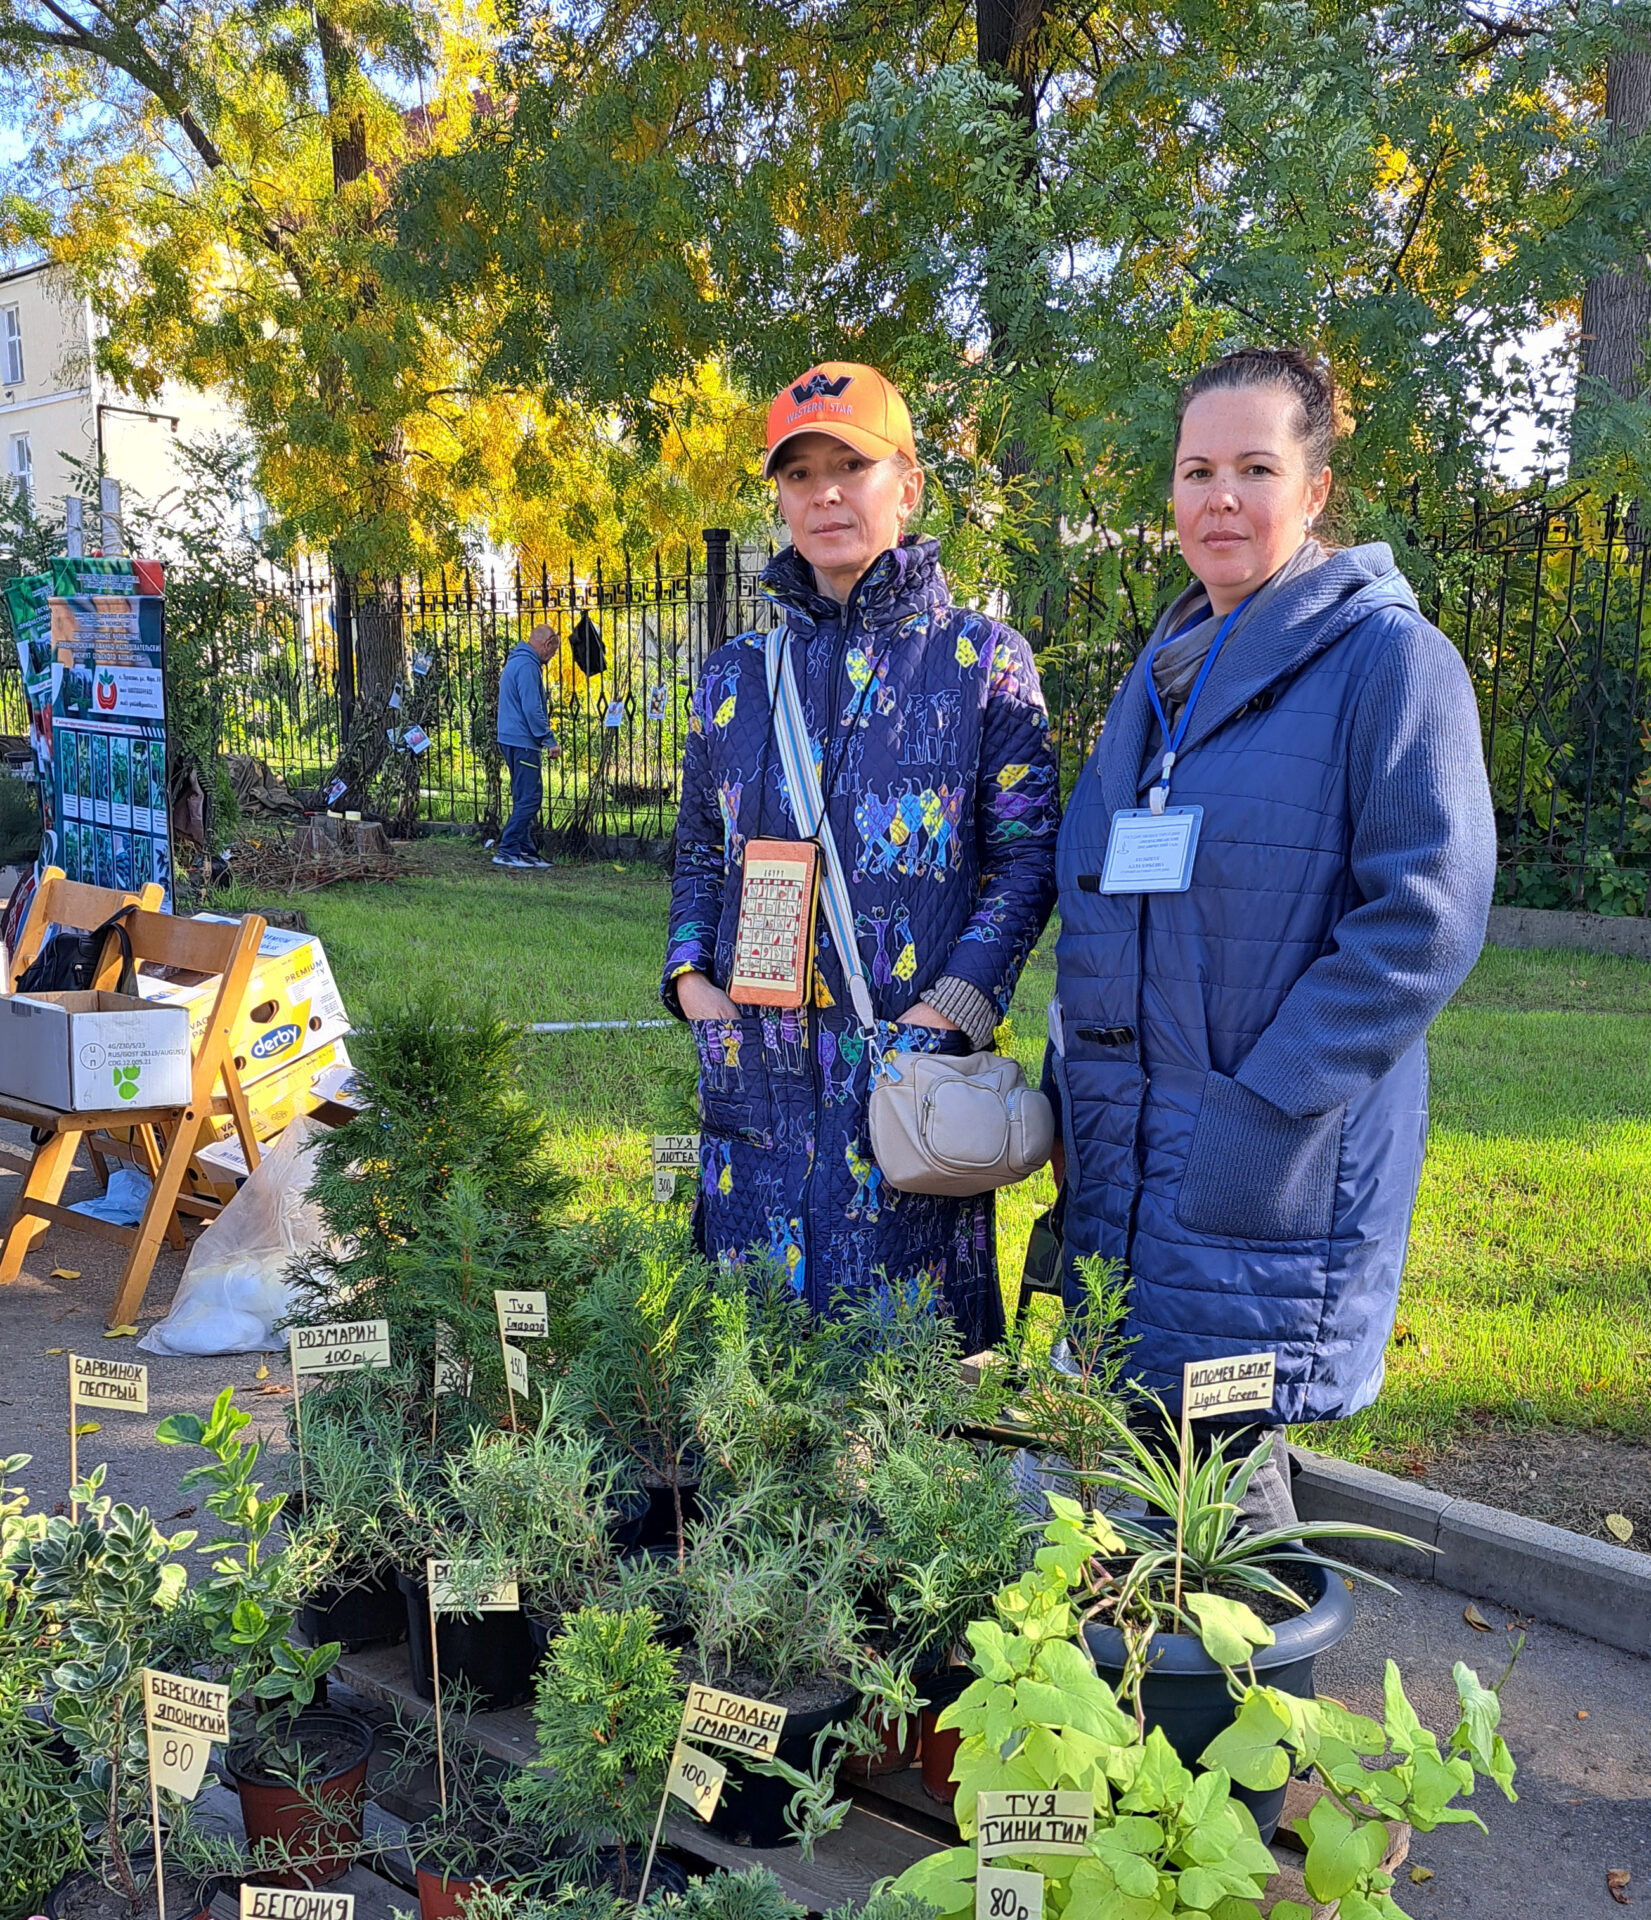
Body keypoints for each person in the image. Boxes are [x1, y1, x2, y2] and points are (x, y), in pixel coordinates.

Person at [1047, 346, 1496, 1522]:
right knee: (1139, 1481)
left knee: (1226, 1500)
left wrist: (1266, 1099)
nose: (1221, 499)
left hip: (1260, 1149)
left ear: (1314, 488)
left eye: (1255, 468)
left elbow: (1426, 915)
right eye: (1197, 471)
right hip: (1136, 1144)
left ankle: (1259, 1654)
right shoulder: (1163, 675)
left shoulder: (1390, 663)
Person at [663, 361, 1060, 1351]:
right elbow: (699, 848)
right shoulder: (731, 678)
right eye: (800, 474)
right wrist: (691, 983)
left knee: (905, 1387)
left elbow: (1026, 863)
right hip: (754, 1079)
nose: (825, 494)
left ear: (907, 486)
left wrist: (946, 1014)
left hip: (901, 1086)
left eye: (852, 466)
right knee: (751, 1373)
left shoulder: (982, 663)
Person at [494, 622, 559, 869]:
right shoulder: (528, 666)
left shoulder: (517, 661)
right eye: (553, 651)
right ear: (547, 644)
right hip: (523, 742)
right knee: (531, 798)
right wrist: (548, 739)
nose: (552, 657)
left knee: (523, 797)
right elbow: (532, 708)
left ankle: (524, 849)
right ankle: (508, 849)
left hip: (511, 738)